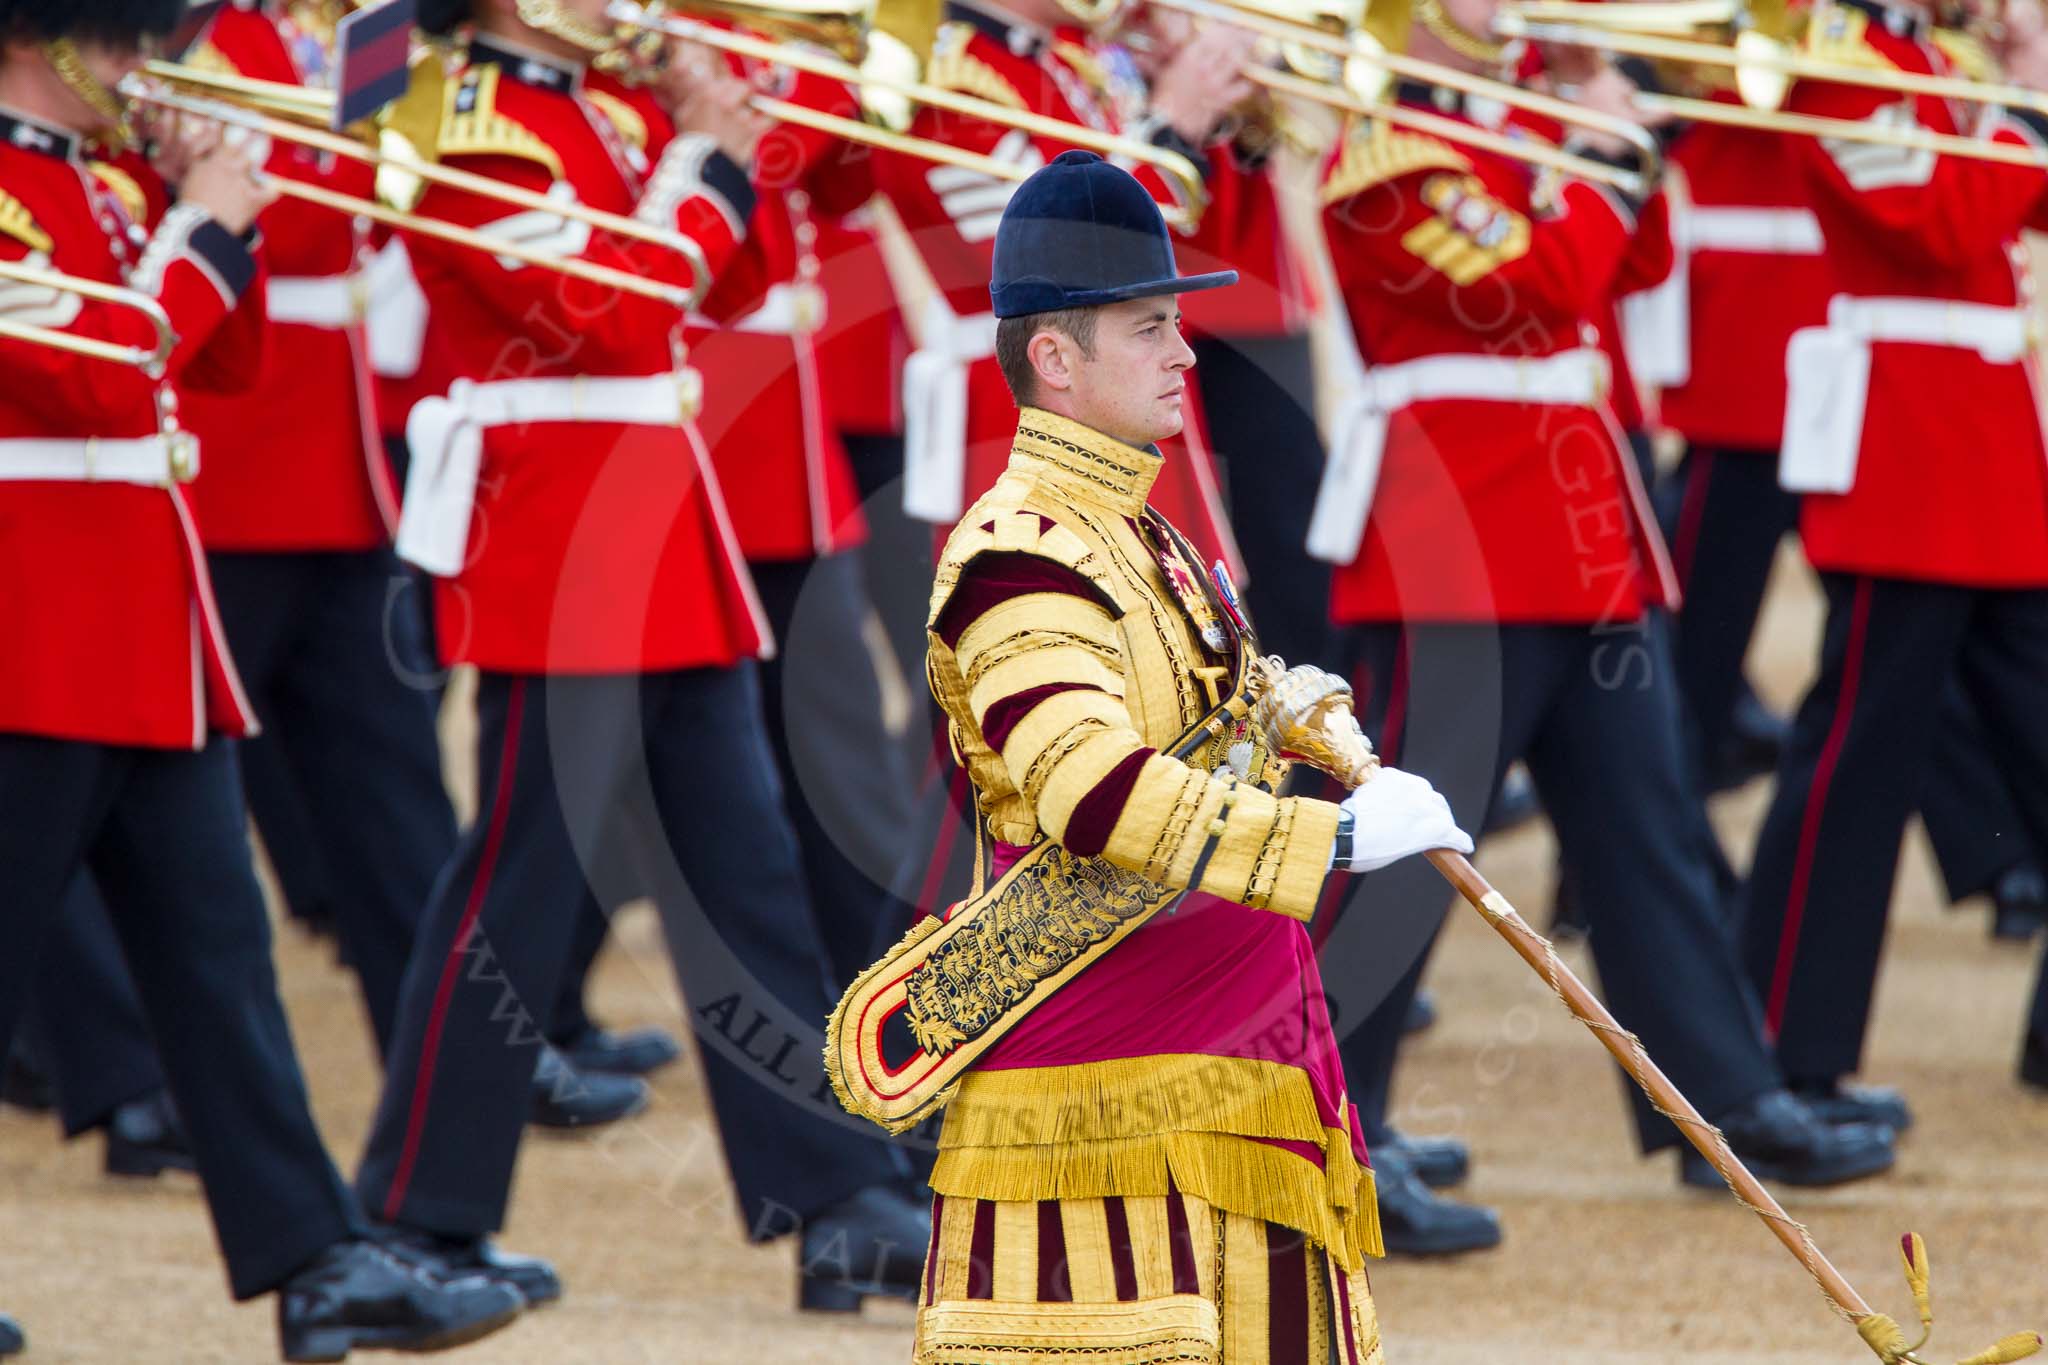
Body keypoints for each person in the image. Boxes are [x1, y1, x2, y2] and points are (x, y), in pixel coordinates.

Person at [360, 0, 930, 1312]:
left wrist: (723, 125)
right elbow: (603, 310)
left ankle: (837, 1198)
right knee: (517, 881)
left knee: (749, 878)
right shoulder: (460, 123)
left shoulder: (609, 111)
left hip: (661, 529)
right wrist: (709, 160)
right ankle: (418, 1212)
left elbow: (718, 285)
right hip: (559, 539)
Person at [1306, 0, 1900, 1233]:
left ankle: (1721, 1105)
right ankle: (1324, 1136)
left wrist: (1599, 118)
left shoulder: (1521, 123)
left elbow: (1631, 266)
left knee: (1650, 833)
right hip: (1456, 536)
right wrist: (1598, 153)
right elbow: (1539, 282)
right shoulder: (1388, 152)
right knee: (1409, 854)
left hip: (1572, 534)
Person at [0, 2, 523, 1357]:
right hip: (34, 634)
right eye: (122, 44)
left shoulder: (105, 186)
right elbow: (106, 376)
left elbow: (218, 363)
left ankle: (315, 1262)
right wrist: (209, 221)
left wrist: (197, 198)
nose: (143, 66)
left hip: (144, 636)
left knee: (220, 968)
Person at [897, 145, 1473, 1363]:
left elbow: (1189, 712)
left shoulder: (1133, 524)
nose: (1184, 351)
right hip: (1106, 1067)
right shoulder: (1019, 556)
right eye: (1149, 328)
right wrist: (1336, 837)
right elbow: (1092, 789)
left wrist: (1286, 713)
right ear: (1054, 358)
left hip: (1234, 1042)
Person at [1738, 0, 2048, 1120]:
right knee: (1852, 772)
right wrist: (2017, 108)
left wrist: (2020, 81)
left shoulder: (1936, 63)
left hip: (1988, 458)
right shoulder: (1833, 64)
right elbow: (1938, 223)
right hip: (1906, 458)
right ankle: (1786, 1049)